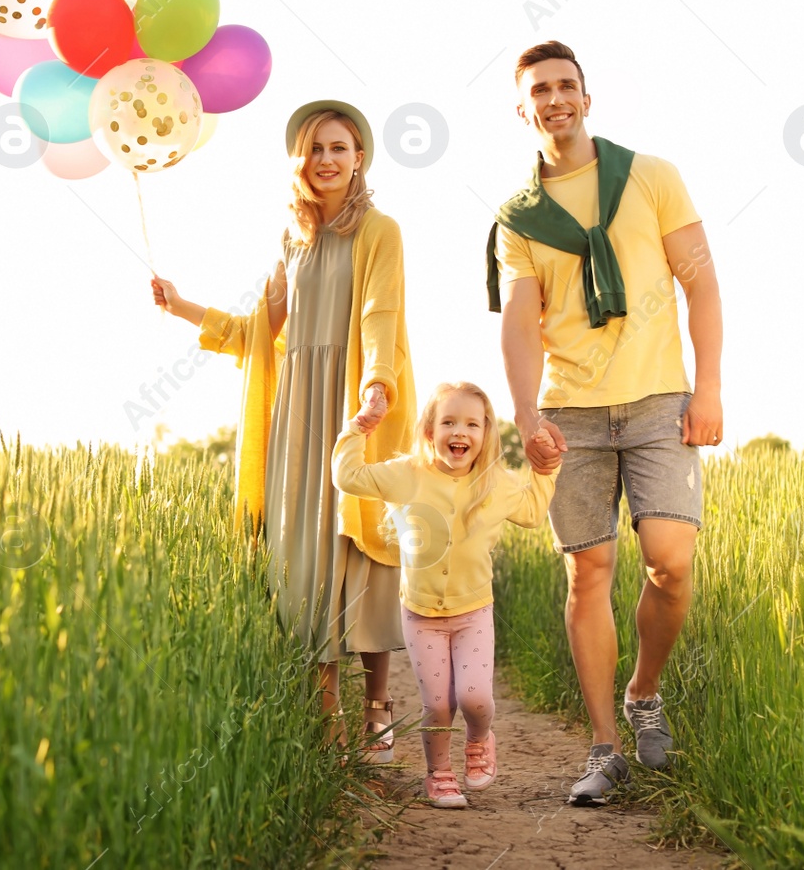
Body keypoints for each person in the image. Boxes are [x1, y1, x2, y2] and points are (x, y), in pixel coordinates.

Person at [487, 40, 724, 806]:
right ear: (522, 111)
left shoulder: (650, 176)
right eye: (539, 91)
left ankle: (643, 692)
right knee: (587, 572)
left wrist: (709, 385)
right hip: (571, 413)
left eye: (566, 86)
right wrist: (525, 413)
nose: (554, 99)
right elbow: (522, 322)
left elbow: (701, 283)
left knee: (671, 560)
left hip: (659, 400)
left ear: (587, 98)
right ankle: (604, 748)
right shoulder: (518, 217)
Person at [150, 100, 417, 762]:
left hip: (356, 405)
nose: (326, 159)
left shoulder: (379, 230)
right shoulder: (291, 239)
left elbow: (383, 312)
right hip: (299, 413)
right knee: (305, 560)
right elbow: (257, 334)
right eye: (315, 148)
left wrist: (377, 382)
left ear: (360, 157)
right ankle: (324, 717)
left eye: (339, 147)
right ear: (299, 160)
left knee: (366, 549)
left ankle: (378, 709)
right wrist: (182, 306)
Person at [332, 381, 560, 808]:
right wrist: (359, 428)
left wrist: (546, 469)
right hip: (421, 615)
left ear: (486, 434)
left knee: (474, 698)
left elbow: (531, 512)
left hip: (474, 612)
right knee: (437, 706)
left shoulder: (496, 483)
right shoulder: (406, 476)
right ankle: (438, 774)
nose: (460, 432)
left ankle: (479, 739)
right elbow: (347, 476)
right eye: (449, 422)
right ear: (429, 431)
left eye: (472, 424)